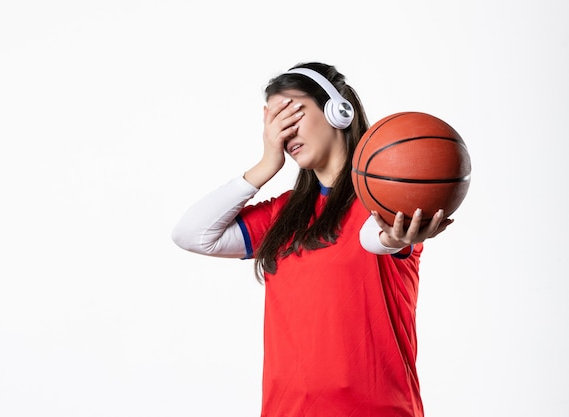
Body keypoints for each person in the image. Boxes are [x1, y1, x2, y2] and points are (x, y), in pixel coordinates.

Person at [171, 62, 452, 417]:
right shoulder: (283, 215)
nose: (284, 131)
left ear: (339, 111)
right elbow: (191, 234)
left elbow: (375, 238)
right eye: (273, 122)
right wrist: (265, 164)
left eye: (293, 113)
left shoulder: (385, 200)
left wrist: (395, 237)